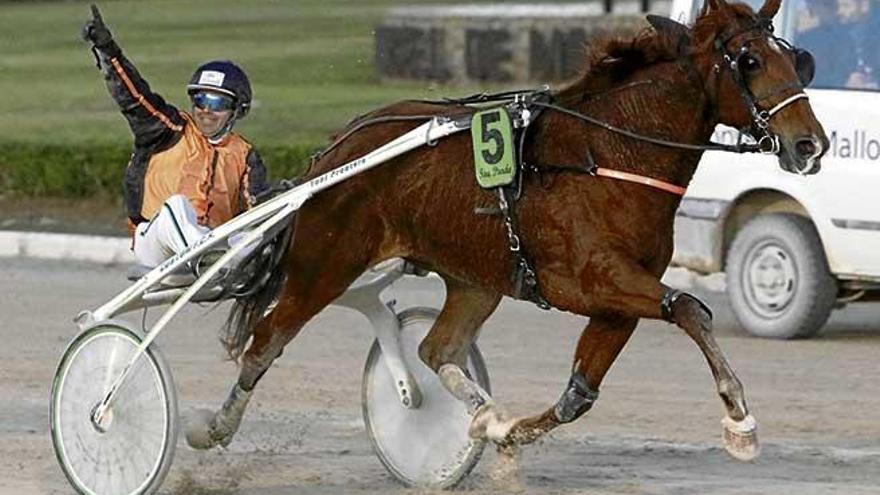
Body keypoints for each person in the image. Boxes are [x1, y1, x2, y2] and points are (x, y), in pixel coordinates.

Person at [82, 5, 268, 268]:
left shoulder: (246, 155)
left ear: (238, 110)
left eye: (216, 103)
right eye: (200, 100)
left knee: (256, 232)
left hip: (216, 242)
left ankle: (218, 260)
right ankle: (208, 261)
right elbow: (135, 98)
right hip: (156, 244)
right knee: (176, 207)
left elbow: (257, 209)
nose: (205, 111)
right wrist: (108, 51)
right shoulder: (170, 129)